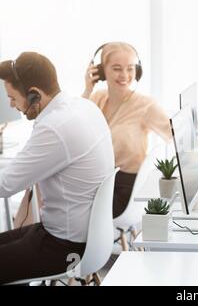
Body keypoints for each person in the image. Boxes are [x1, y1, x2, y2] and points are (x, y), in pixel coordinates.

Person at [0, 52, 114, 284]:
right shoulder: (84, 107)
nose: (12, 105)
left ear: (34, 94)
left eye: (13, 98)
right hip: (86, 239)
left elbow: (5, 184)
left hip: (64, 249)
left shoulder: (54, 127)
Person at [82, 42, 172, 218]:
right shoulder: (97, 98)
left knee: (71, 209)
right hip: (98, 184)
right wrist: (87, 89)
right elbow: (74, 127)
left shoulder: (146, 105)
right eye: (117, 68)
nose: (124, 75)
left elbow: (175, 132)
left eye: (130, 69)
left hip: (126, 191)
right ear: (101, 72)